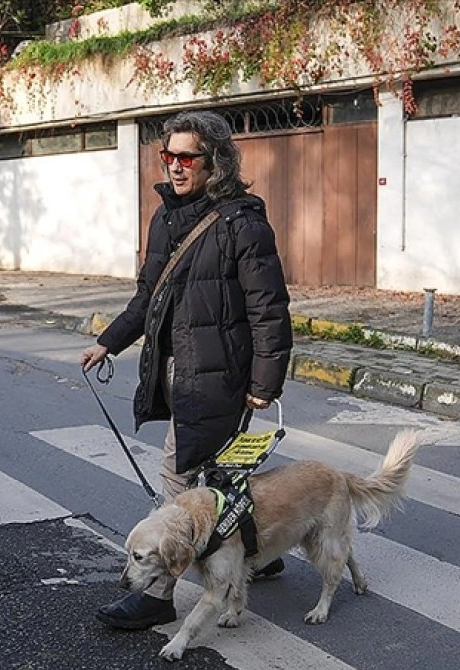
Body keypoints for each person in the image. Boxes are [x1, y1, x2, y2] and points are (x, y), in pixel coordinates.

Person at [80, 110, 293, 630]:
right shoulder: (165, 218)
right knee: (219, 476)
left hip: (221, 380)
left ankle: (157, 593)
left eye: (186, 157)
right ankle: (252, 550)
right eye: (168, 156)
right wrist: (109, 342)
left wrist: (264, 384)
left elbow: (269, 310)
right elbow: (148, 296)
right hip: (174, 372)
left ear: (214, 160)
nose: (175, 167)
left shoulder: (242, 224)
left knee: (177, 485)